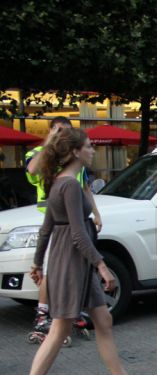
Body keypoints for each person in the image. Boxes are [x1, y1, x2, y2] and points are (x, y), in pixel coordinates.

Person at [16, 128, 157, 375]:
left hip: (72, 259)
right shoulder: (68, 185)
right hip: (71, 261)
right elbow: (78, 234)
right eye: (89, 146)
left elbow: (47, 228)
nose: (93, 150)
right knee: (59, 329)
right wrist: (102, 266)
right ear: (75, 152)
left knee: (103, 320)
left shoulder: (61, 181)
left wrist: (37, 263)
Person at [25, 117, 102, 341]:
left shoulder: (75, 165)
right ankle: (45, 315)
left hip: (69, 220)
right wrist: (50, 141)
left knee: (66, 272)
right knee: (56, 271)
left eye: (68, 132)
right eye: (60, 131)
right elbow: (32, 170)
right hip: (56, 222)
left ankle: (68, 313)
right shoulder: (43, 154)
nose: (65, 136)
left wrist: (96, 213)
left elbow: (85, 188)